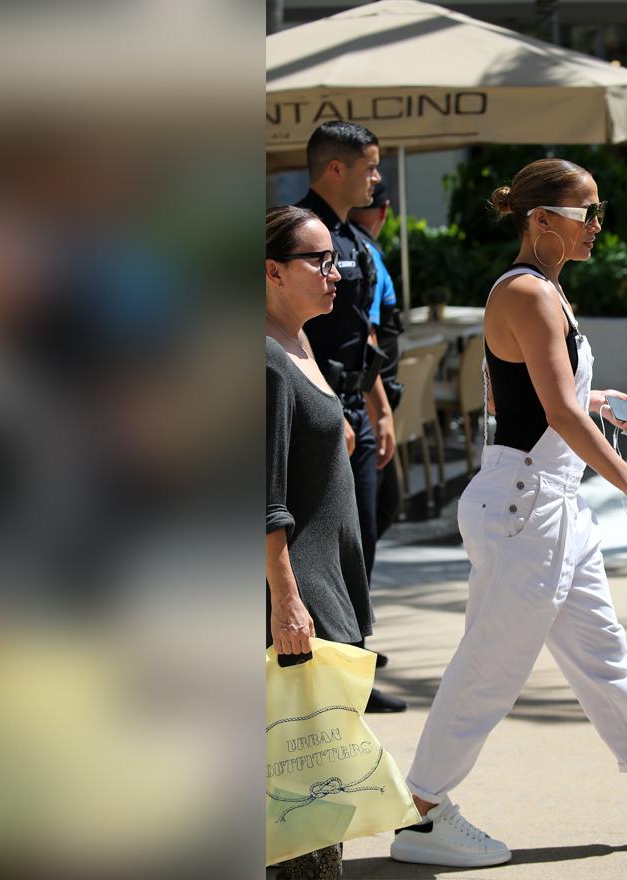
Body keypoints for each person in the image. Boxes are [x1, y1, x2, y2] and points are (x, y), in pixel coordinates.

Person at [390, 158, 627, 868]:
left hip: (546, 505)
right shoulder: (529, 293)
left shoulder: (543, 292)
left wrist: (600, 404)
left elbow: (531, 398)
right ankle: (420, 814)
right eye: (587, 213)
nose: (599, 225)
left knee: (601, 656)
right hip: (525, 507)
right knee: (491, 667)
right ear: (541, 220)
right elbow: (556, 411)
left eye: (599, 212)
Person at [264, 205, 366, 879]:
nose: (337, 273)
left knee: (314, 798)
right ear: (271, 271)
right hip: (299, 603)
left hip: (327, 587)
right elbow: (261, 496)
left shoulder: (301, 346)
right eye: (318, 260)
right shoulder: (266, 361)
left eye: (336, 259)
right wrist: (287, 603)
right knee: (306, 804)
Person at [294, 121, 405, 713]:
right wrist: (327, 405)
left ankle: (352, 671)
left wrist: (380, 406)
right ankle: (333, 679)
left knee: (362, 538)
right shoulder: (298, 233)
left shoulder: (350, 237)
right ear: (335, 168)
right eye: (369, 167)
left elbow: (361, 332)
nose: (377, 178)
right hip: (324, 409)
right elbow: (293, 328)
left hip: (357, 405)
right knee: (328, 550)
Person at [347, 183, 404, 540]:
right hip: (366, 403)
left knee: (381, 508)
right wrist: (379, 410)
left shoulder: (359, 249)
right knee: (377, 511)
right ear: (384, 212)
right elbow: (364, 334)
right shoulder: (362, 253)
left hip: (369, 400)